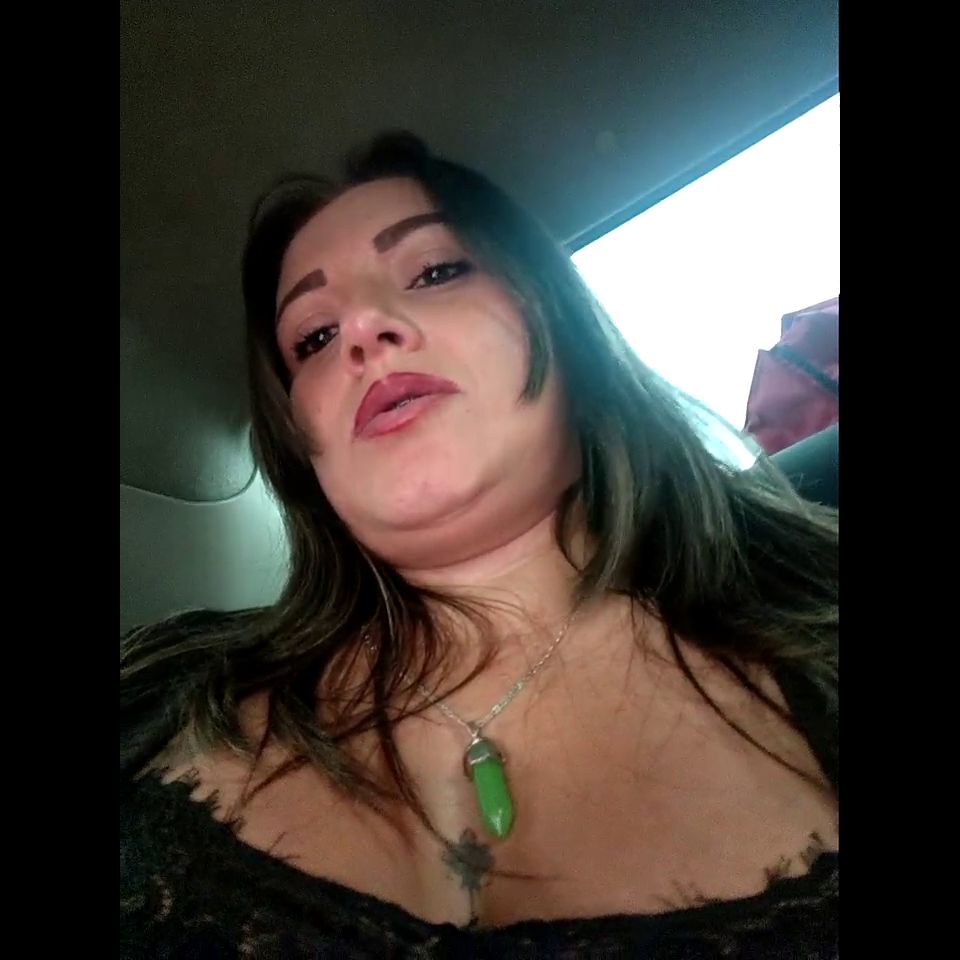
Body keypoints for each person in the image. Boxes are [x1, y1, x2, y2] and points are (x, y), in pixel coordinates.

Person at [121, 133, 838, 958]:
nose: (361, 329)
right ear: (301, 440)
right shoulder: (159, 684)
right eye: (312, 338)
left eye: (433, 271)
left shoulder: (818, 609)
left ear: (561, 323)